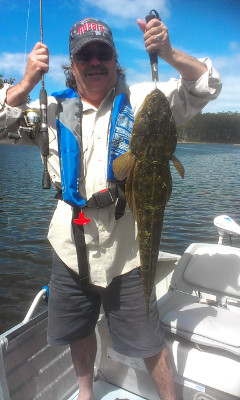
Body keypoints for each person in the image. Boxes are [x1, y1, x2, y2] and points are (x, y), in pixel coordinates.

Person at [0, 16, 222, 400]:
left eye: (103, 52)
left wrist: (167, 53)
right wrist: (26, 83)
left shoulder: (145, 99)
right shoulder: (51, 109)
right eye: (85, 56)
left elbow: (205, 86)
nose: (95, 62)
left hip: (127, 250)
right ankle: (85, 392)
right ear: (73, 64)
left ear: (116, 57)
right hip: (70, 248)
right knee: (79, 329)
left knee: (147, 337)